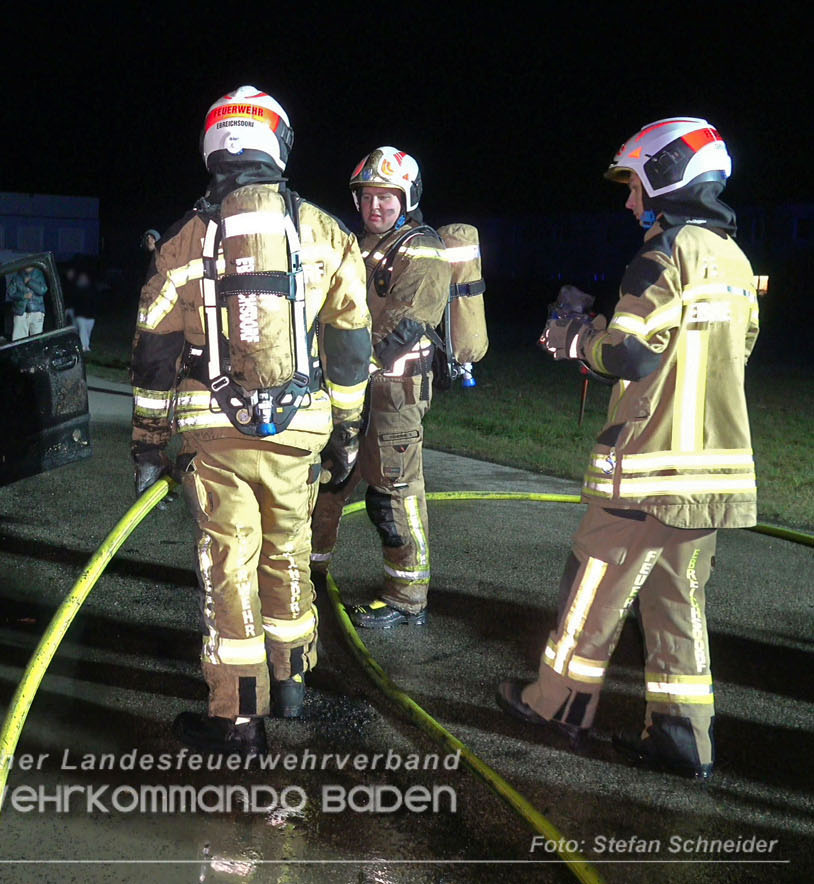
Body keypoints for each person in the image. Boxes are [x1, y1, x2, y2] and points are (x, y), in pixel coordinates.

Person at [497, 117, 759, 780]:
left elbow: (629, 352)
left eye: (637, 186)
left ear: (668, 177)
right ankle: (683, 736)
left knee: (592, 586)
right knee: (677, 601)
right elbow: (734, 350)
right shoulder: (733, 259)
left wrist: (574, 340)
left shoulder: (663, 253)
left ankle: (556, 703)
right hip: (713, 475)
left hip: (648, 470)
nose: (630, 202)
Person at [130, 86, 372, 755]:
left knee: (227, 563)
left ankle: (237, 718)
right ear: (278, 142)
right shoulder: (328, 234)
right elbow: (352, 348)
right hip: (301, 433)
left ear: (214, 145)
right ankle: (291, 680)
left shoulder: (183, 241)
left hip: (214, 434)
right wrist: (347, 436)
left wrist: (149, 444)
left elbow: (154, 353)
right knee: (287, 549)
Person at [310, 147, 451, 629]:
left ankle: (406, 598)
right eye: (369, 196)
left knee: (394, 495)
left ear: (406, 198)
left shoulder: (422, 247)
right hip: (349, 390)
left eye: (387, 198)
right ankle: (308, 577)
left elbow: (408, 324)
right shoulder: (359, 245)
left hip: (395, 396)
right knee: (328, 480)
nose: (376, 206)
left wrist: (356, 364)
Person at [7, 264, 47, 340]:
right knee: (19, 339)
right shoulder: (17, 277)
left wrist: (30, 282)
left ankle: (36, 352)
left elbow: (42, 290)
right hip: (21, 312)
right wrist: (23, 296)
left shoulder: (39, 275)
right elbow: (10, 293)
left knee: (37, 339)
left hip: (37, 311)